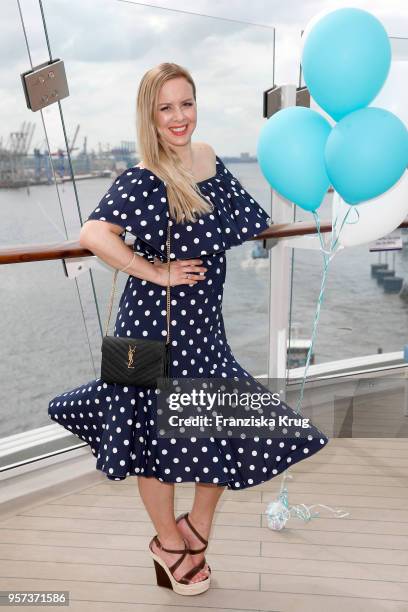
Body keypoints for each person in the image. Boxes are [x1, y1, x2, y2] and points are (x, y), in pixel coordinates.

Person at [48, 62, 329, 596]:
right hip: (147, 329)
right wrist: (154, 270)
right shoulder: (143, 176)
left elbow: (242, 221)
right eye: (166, 108)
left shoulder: (206, 159)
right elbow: (92, 233)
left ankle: (196, 529)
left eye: (187, 103)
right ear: (149, 117)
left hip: (202, 330)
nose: (179, 117)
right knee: (149, 440)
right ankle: (168, 544)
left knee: (222, 425)